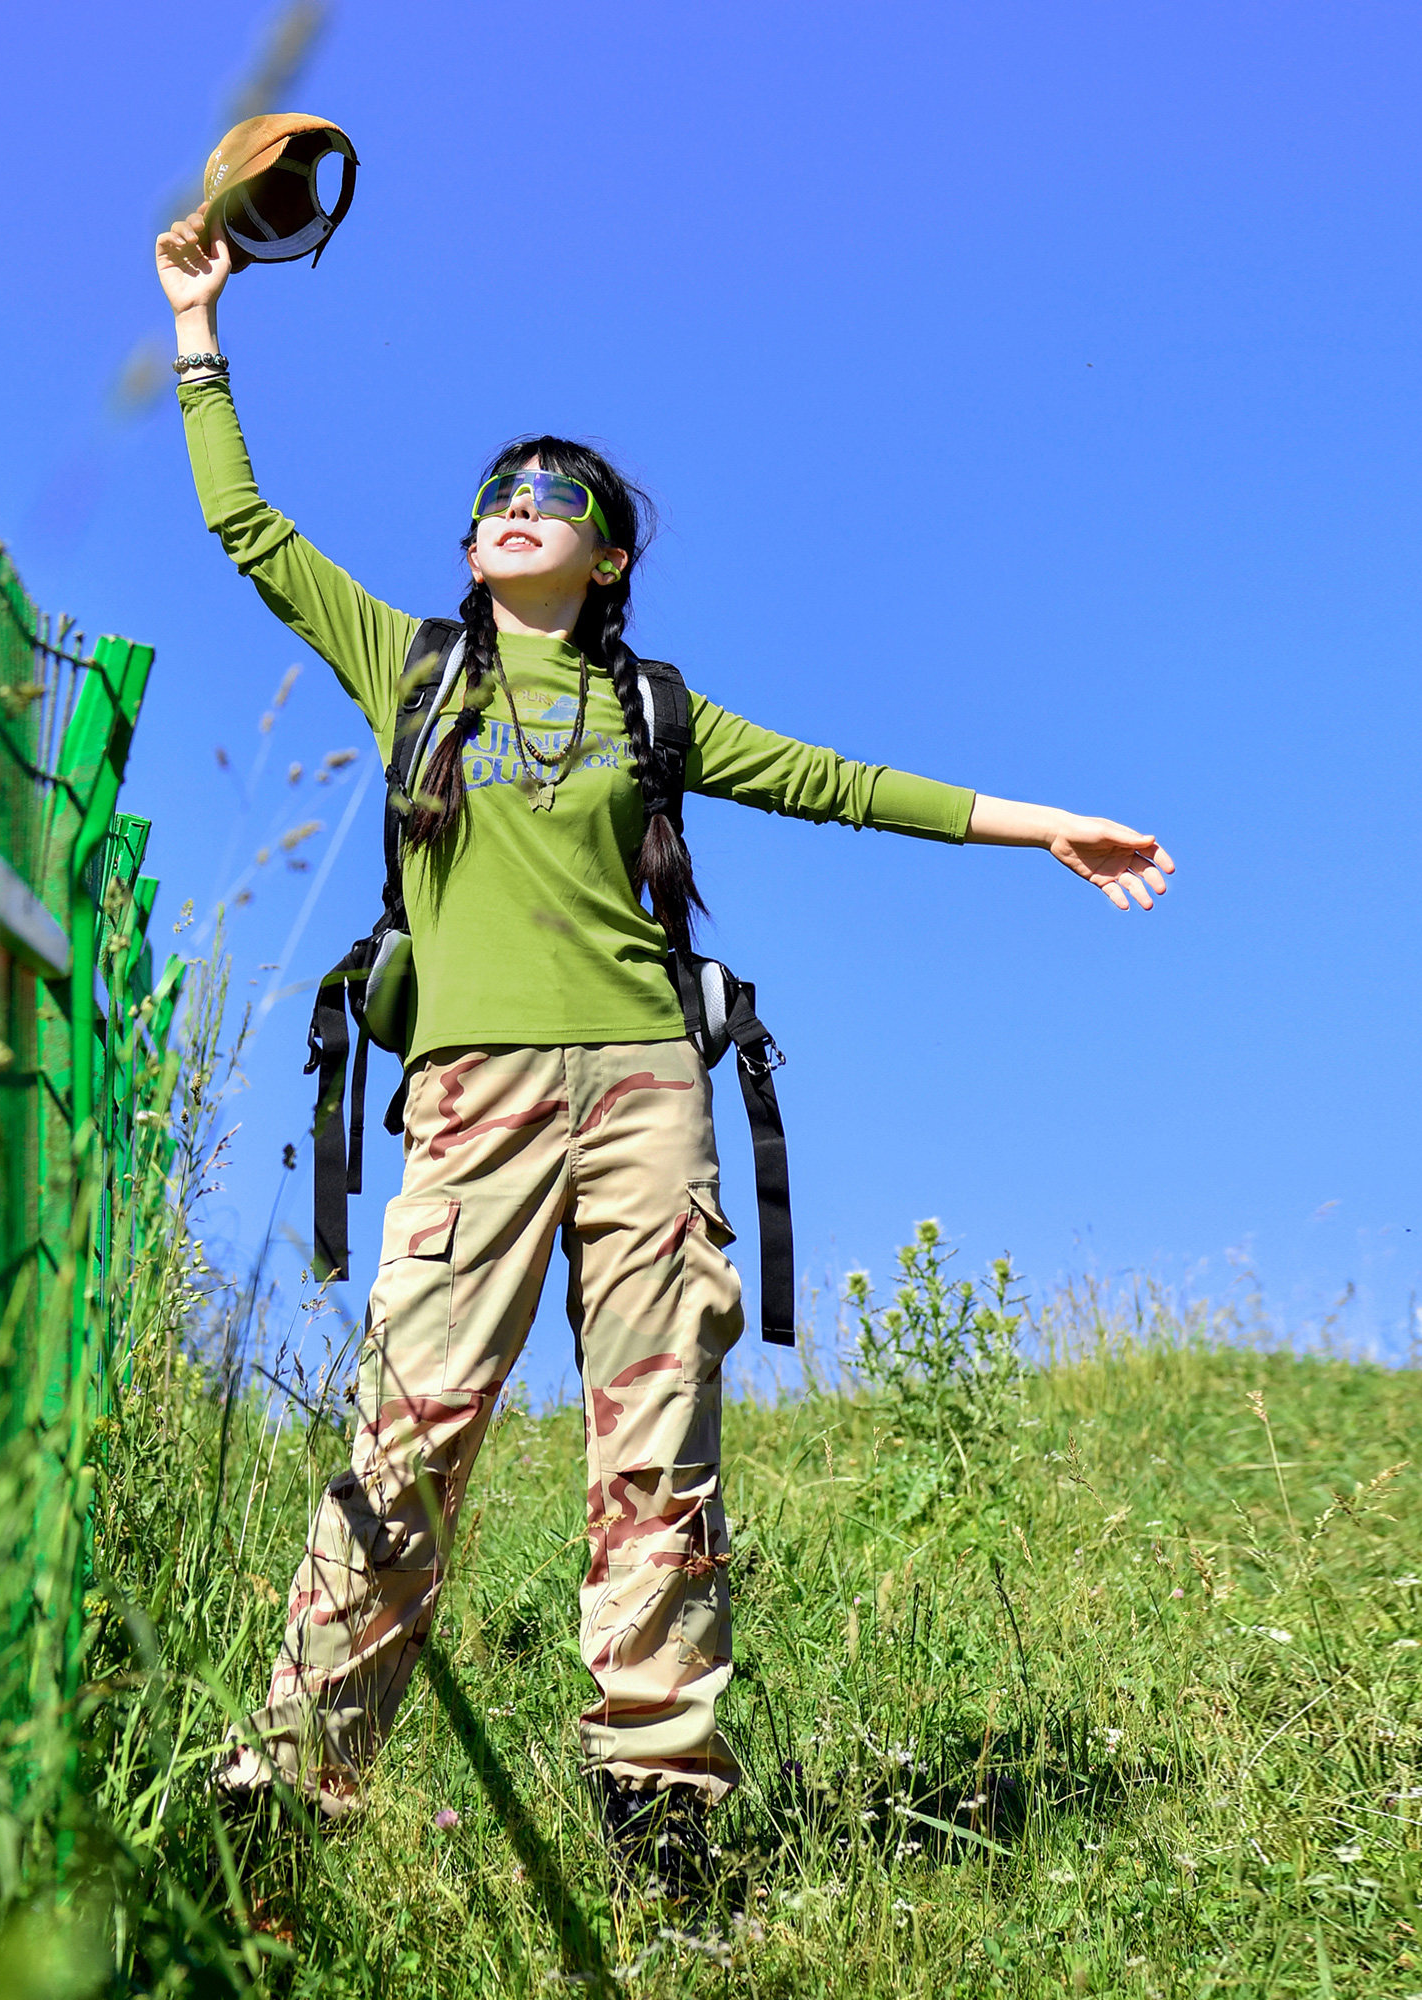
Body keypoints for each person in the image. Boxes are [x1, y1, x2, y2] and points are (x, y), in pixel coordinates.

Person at [154, 208, 1173, 1877]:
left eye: (551, 499)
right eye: (494, 494)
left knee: (658, 1454)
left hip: (644, 1098)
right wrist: (202, 334)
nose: (513, 512)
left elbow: (844, 785)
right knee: (408, 1438)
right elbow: (250, 531)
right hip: (471, 1100)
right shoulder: (409, 669)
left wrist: (1045, 822)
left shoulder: (654, 714)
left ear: (608, 554)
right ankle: (289, 1787)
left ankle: (664, 1814)